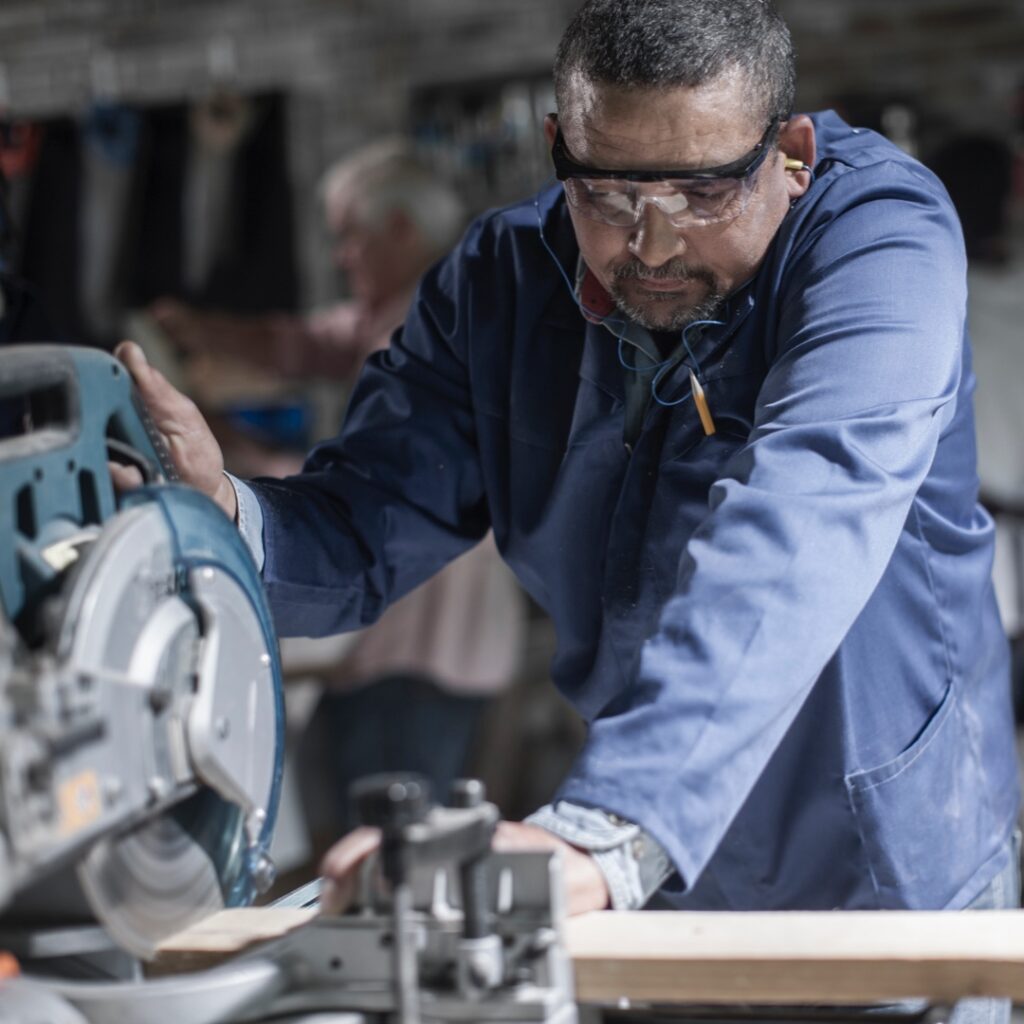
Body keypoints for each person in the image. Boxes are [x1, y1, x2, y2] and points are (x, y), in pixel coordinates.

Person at [116, 1, 1019, 1018]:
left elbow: (807, 507)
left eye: (704, 190)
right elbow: (363, 519)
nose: (654, 244)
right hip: (653, 876)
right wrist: (225, 515)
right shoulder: (498, 282)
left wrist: (605, 825)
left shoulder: (877, 243)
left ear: (791, 153)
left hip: (880, 866)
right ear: (559, 146)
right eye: (610, 191)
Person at [149, 141, 527, 840]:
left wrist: (226, 454)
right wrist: (204, 333)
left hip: (420, 647)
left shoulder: (421, 326)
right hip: (442, 645)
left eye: (350, 237)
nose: (341, 256)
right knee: (389, 833)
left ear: (401, 231)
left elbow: (371, 500)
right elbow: (312, 341)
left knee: (382, 847)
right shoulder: (429, 303)